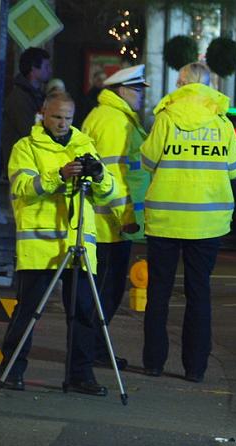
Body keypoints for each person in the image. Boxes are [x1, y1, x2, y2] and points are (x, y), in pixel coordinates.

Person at [0, 92, 122, 396]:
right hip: (41, 244)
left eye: (68, 117)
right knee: (28, 310)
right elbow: (24, 188)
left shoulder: (85, 146)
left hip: (78, 242)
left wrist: (100, 175)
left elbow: (108, 194)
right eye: (57, 117)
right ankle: (12, 369)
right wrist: (60, 175)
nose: (63, 123)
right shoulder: (26, 148)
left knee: (83, 313)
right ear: (43, 114)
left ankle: (80, 376)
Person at [139, 62, 236, 382]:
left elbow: (147, 161)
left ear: (182, 83)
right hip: (207, 222)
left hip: (167, 219)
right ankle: (195, 368)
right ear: (208, 84)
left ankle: (154, 363)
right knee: (199, 293)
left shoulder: (167, 118)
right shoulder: (220, 121)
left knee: (159, 291)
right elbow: (235, 168)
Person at [81, 64, 150, 371]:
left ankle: (94, 348)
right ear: (123, 90)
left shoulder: (109, 116)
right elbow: (110, 177)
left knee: (102, 291)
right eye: (138, 91)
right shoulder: (114, 122)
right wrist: (124, 218)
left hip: (106, 222)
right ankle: (94, 349)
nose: (141, 97)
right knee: (106, 292)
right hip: (109, 225)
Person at [2, 47, 52, 170]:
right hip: (21, 162)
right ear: (33, 69)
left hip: (28, 160)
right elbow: (28, 131)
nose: (50, 70)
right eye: (46, 67)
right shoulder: (20, 98)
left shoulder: (34, 95)